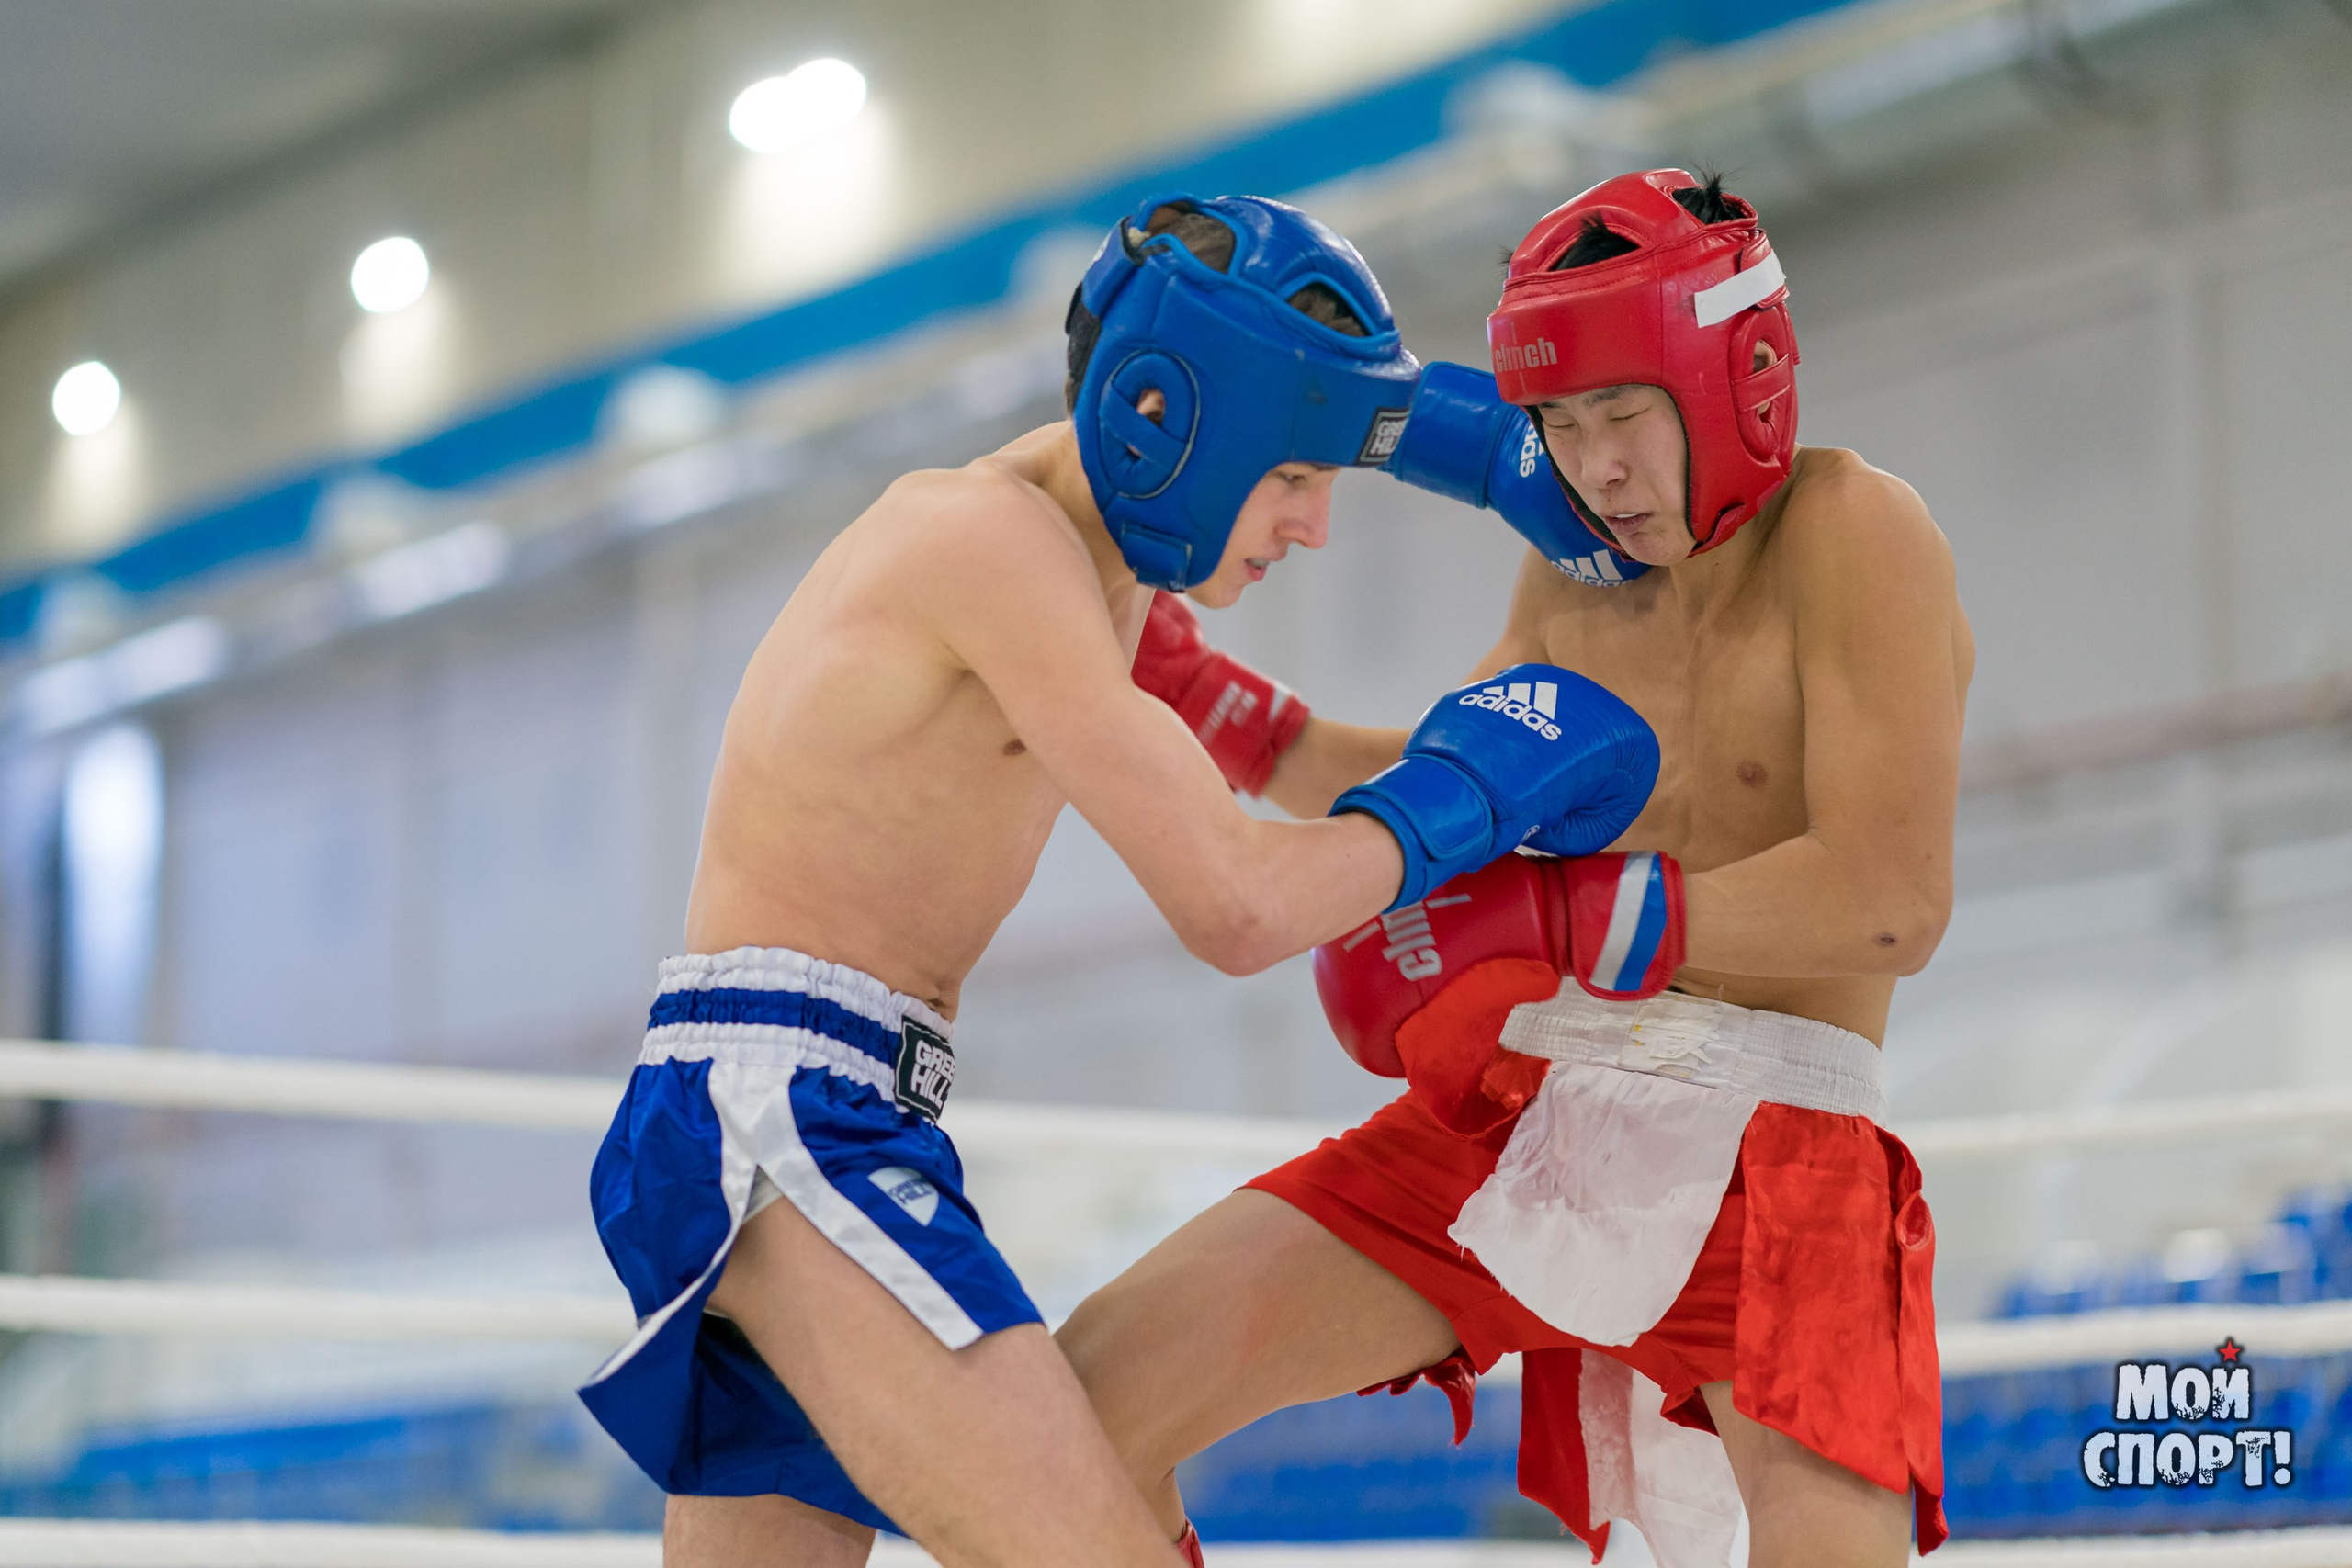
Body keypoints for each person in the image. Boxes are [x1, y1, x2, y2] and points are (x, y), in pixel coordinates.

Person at [573, 191, 1662, 1568]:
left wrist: (1557, 778)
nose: (1316, 526)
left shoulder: (1103, 590)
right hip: (785, 1117)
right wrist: (1479, 789)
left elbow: (1313, 778)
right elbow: (1242, 904)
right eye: (1294, 479)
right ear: (1168, 428)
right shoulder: (988, 547)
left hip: (811, 1107)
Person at [1060, 169, 1974, 1568]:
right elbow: (1442, 800)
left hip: (1778, 1137)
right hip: (1545, 1093)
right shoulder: (1571, 580)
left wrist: (1576, 912)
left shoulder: (1854, 531)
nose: (1595, 466)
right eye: (1558, 424)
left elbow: (1890, 900)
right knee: (1086, 1403)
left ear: (1740, 376)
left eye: (1622, 415)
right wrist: (1211, 698)